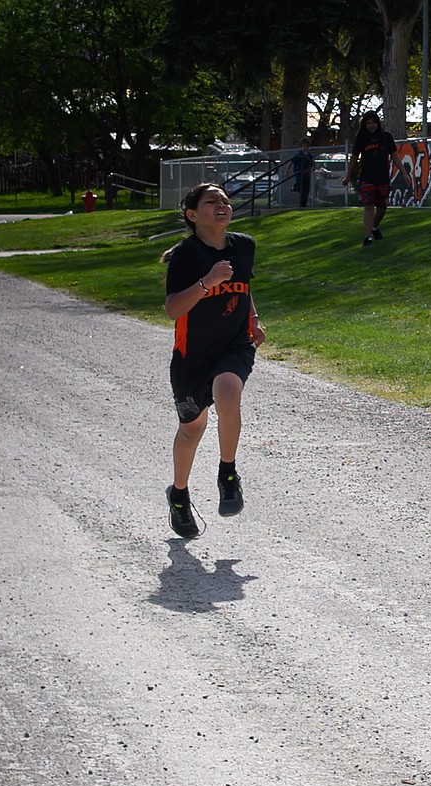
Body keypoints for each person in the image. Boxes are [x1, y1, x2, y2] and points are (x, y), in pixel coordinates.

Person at [161, 184, 265, 539]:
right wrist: (206, 283)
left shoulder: (244, 246)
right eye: (212, 202)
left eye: (225, 200)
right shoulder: (186, 256)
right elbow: (173, 309)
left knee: (228, 390)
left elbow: (245, 291)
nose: (222, 205)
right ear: (192, 215)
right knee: (192, 429)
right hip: (192, 356)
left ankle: (228, 474)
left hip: (234, 345)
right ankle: (178, 494)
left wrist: (253, 319)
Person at [343, 110, 397, 247]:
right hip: (366, 177)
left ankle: (374, 227)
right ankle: (367, 237)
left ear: (378, 123)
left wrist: (404, 173)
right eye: (368, 123)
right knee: (368, 206)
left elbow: (395, 156)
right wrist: (348, 176)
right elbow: (354, 158)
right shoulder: (361, 138)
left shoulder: (386, 137)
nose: (371, 126)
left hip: (383, 177)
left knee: (382, 208)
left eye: (373, 122)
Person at [288, 139, 314, 208]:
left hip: (306, 174)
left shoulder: (310, 156)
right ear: (301, 146)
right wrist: (286, 171)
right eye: (304, 146)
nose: (305, 148)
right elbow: (290, 162)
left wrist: (311, 169)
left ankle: (303, 206)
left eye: (307, 146)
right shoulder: (298, 154)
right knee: (300, 185)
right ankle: (295, 187)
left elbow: (312, 164)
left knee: (306, 190)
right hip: (299, 173)